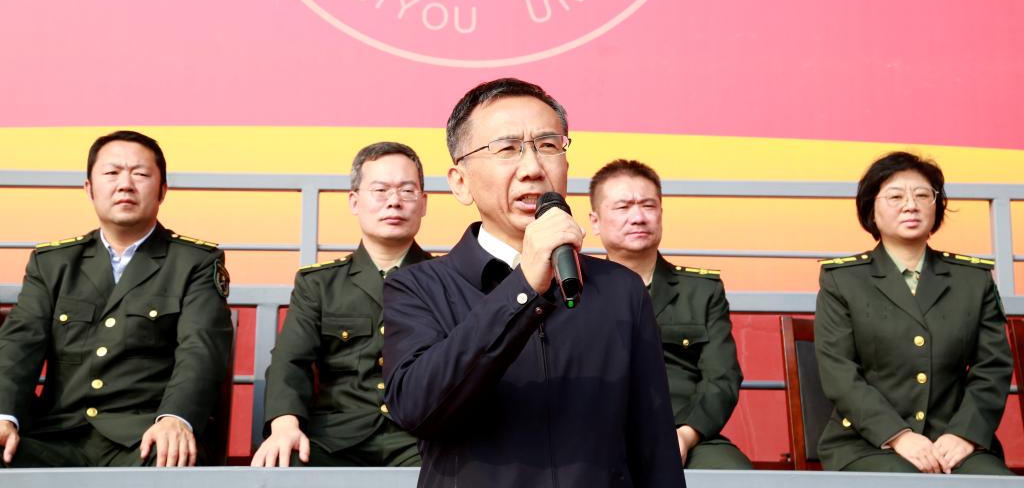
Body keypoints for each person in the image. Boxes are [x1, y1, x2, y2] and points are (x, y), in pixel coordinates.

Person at [382, 78, 685, 488]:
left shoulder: (622, 290)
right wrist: (524, 287)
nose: (532, 168)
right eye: (506, 149)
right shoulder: (418, 287)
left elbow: (655, 450)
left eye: (547, 145)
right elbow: (418, 409)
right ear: (460, 182)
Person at [0, 130, 233, 467]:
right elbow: (20, 345)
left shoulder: (194, 262)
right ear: (89, 189)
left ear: (162, 190)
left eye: (140, 174)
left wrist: (176, 418)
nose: (125, 185)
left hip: (144, 438)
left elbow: (201, 349)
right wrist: (4, 415)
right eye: (111, 173)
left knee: (172, 459)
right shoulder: (53, 263)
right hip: (56, 436)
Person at [814, 151, 1014, 475]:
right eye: (895, 196)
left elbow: (993, 366)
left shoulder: (972, 280)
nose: (911, 205)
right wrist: (898, 435)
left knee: (995, 482)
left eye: (922, 195)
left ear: (937, 206)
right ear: (871, 209)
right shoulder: (843, 280)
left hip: (954, 443)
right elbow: (839, 372)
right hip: (867, 443)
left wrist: (965, 434)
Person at [252, 142, 431, 467]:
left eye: (407, 191)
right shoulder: (318, 285)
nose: (394, 201)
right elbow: (290, 362)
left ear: (423, 203)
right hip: (336, 440)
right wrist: (285, 424)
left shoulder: (447, 280)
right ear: (354, 201)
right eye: (380, 190)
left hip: (420, 438)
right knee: (285, 461)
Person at [588, 159, 752, 470]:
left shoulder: (701, 291)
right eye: (623, 207)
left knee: (736, 476)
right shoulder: (575, 289)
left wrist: (685, 436)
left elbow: (722, 378)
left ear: (661, 213)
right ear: (595, 222)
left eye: (648, 205)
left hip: (684, 432)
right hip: (597, 435)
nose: (638, 217)